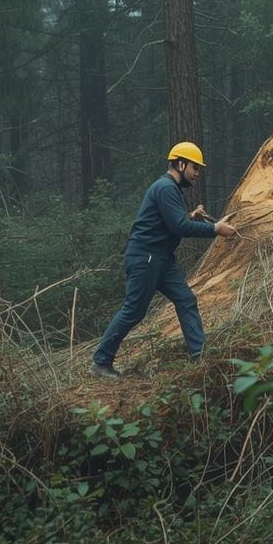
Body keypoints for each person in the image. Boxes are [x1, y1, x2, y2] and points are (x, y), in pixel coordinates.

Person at [91, 142, 237, 378]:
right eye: (194, 168)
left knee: (186, 299)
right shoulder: (165, 187)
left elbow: (171, 222)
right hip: (146, 258)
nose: (197, 173)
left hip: (161, 260)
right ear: (181, 164)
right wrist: (215, 229)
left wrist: (192, 216)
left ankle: (200, 358)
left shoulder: (170, 189)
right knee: (134, 311)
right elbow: (178, 227)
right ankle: (101, 362)